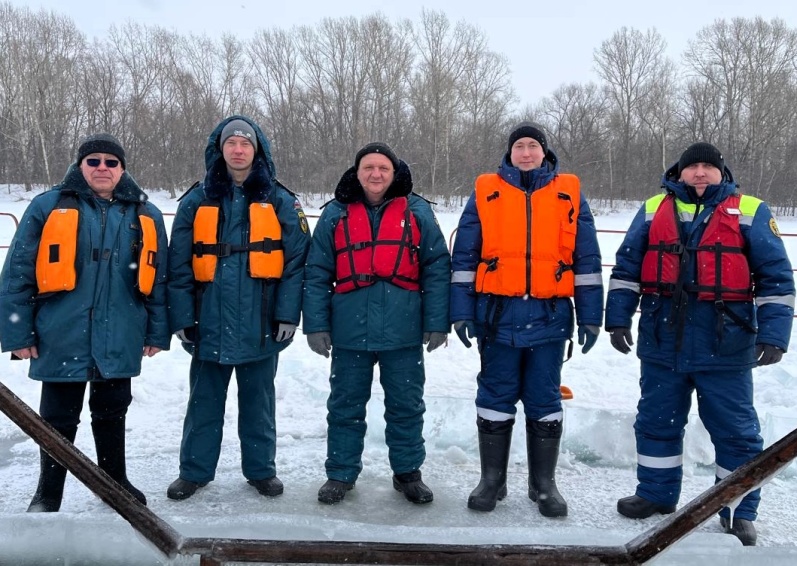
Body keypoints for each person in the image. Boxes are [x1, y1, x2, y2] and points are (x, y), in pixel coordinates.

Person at [605, 142, 795, 546]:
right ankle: (655, 495)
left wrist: (775, 334)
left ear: (721, 173)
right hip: (663, 339)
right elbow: (626, 268)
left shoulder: (750, 211)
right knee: (657, 422)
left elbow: (776, 279)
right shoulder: (655, 208)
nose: (701, 173)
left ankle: (736, 508)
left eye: (709, 167)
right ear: (681, 172)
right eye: (694, 167)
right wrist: (617, 317)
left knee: (736, 432)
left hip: (726, 342)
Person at [0, 133, 170, 511]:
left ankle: (114, 482)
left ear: (123, 169)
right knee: (57, 418)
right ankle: (49, 491)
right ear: (80, 166)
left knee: (112, 411)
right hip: (61, 334)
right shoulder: (48, 207)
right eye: (93, 161)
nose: (102, 168)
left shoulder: (146, 214)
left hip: (121, 332)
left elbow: (160, 280)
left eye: (111, 162)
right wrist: (17, 332)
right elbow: (16, 274)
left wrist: (157, 330)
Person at [450, 122, 604, 517]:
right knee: (495, 395)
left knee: (544, 398)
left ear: (544, 152)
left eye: (533, 145)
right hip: (496, 317)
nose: (526, 152)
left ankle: (543, 484)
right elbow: (465, 258)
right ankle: (492, 480)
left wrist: (590, 316)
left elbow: (586, 260)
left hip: (549, 317)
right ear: (509, 152)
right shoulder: (486, 190)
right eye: (519, 146)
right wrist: (461, 311)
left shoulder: (569, 191)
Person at [166, 116, 310, 500]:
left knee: (259, 404)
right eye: (232, 143)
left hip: (261, 323)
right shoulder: (197, 199)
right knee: (203, 404)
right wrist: (182, 316)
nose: (238, 149)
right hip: (208, 321)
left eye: (246, 143)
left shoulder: (281, 199)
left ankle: (261, 470)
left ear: (257, 149)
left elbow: (297, 263)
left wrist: (287, 315)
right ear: (221, 148)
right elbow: (178, 263)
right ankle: (194, 472)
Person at [303, 142, 451, 505]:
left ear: (394, 172)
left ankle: (408, 474)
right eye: (368, 167)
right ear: (357, 173)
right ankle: (340, 473)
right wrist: (316, 325)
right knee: (345, 405)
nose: (375, 174)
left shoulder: (417, 211)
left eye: (383, 168)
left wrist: (437, 322)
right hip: (350, 328)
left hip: (403, 330)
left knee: (406, 405)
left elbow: (436, 269)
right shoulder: (335, 214)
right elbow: (317, 271)